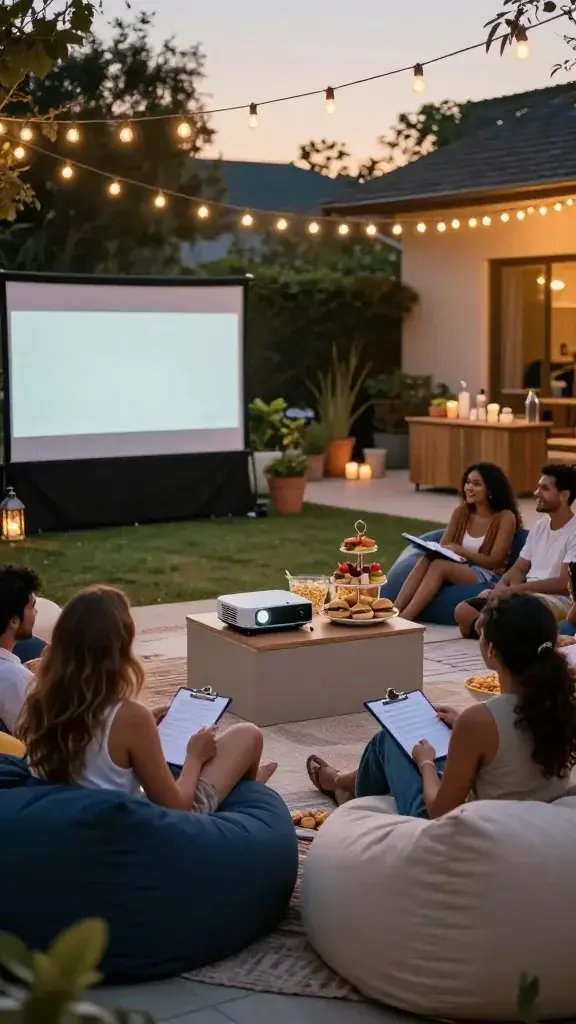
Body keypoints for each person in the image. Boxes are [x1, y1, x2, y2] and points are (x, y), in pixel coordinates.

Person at [307, 593, 576, 817]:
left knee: (390, 740)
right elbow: (512, 747)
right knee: (426, 740)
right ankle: (343, 784)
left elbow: (438, 812)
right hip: (541, 824)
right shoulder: (564, 701)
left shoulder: (480, 720)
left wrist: (425, 763)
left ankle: (345, 793)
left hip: (477, 832)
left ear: (492, 650)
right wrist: (462, 727)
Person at [18, 585, 277, 810]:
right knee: (247, 735)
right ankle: (247, 795)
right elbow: (177, 807)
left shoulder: (39, 701)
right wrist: (193, 758)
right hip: (142, 828)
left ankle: (244, 786)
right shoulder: (129, 716)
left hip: (71, 815)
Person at [455, 463, 576, 640]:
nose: (536, 493)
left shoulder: (574, 530)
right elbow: (519, 568)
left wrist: (518, 590)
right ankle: (498, 635)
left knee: (520, 611)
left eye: (544, 488)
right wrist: (501, 588)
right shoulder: (541, 526)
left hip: (556, 599)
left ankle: (495, 634)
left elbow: (563, 583)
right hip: (526, 594)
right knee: (463, 611)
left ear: (564, 495)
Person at [395, 463, 521, 621]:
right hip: (461, 564)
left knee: (439, 566)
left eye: (476, 484)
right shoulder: (461, 512)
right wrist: (448, 552)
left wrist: (462, 552)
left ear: (490, 490)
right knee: (426, 559)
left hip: (488, 573)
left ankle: (406, 617)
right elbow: (444, 545)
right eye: (468, 482)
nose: (469, 488)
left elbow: (495, 561)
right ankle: (394, 610)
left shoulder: (505, 517)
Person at [0, 565, 40, 738]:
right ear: (14, 621)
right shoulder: (16, 680)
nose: (36, 612)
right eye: (32, 606)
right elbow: (36, 738)